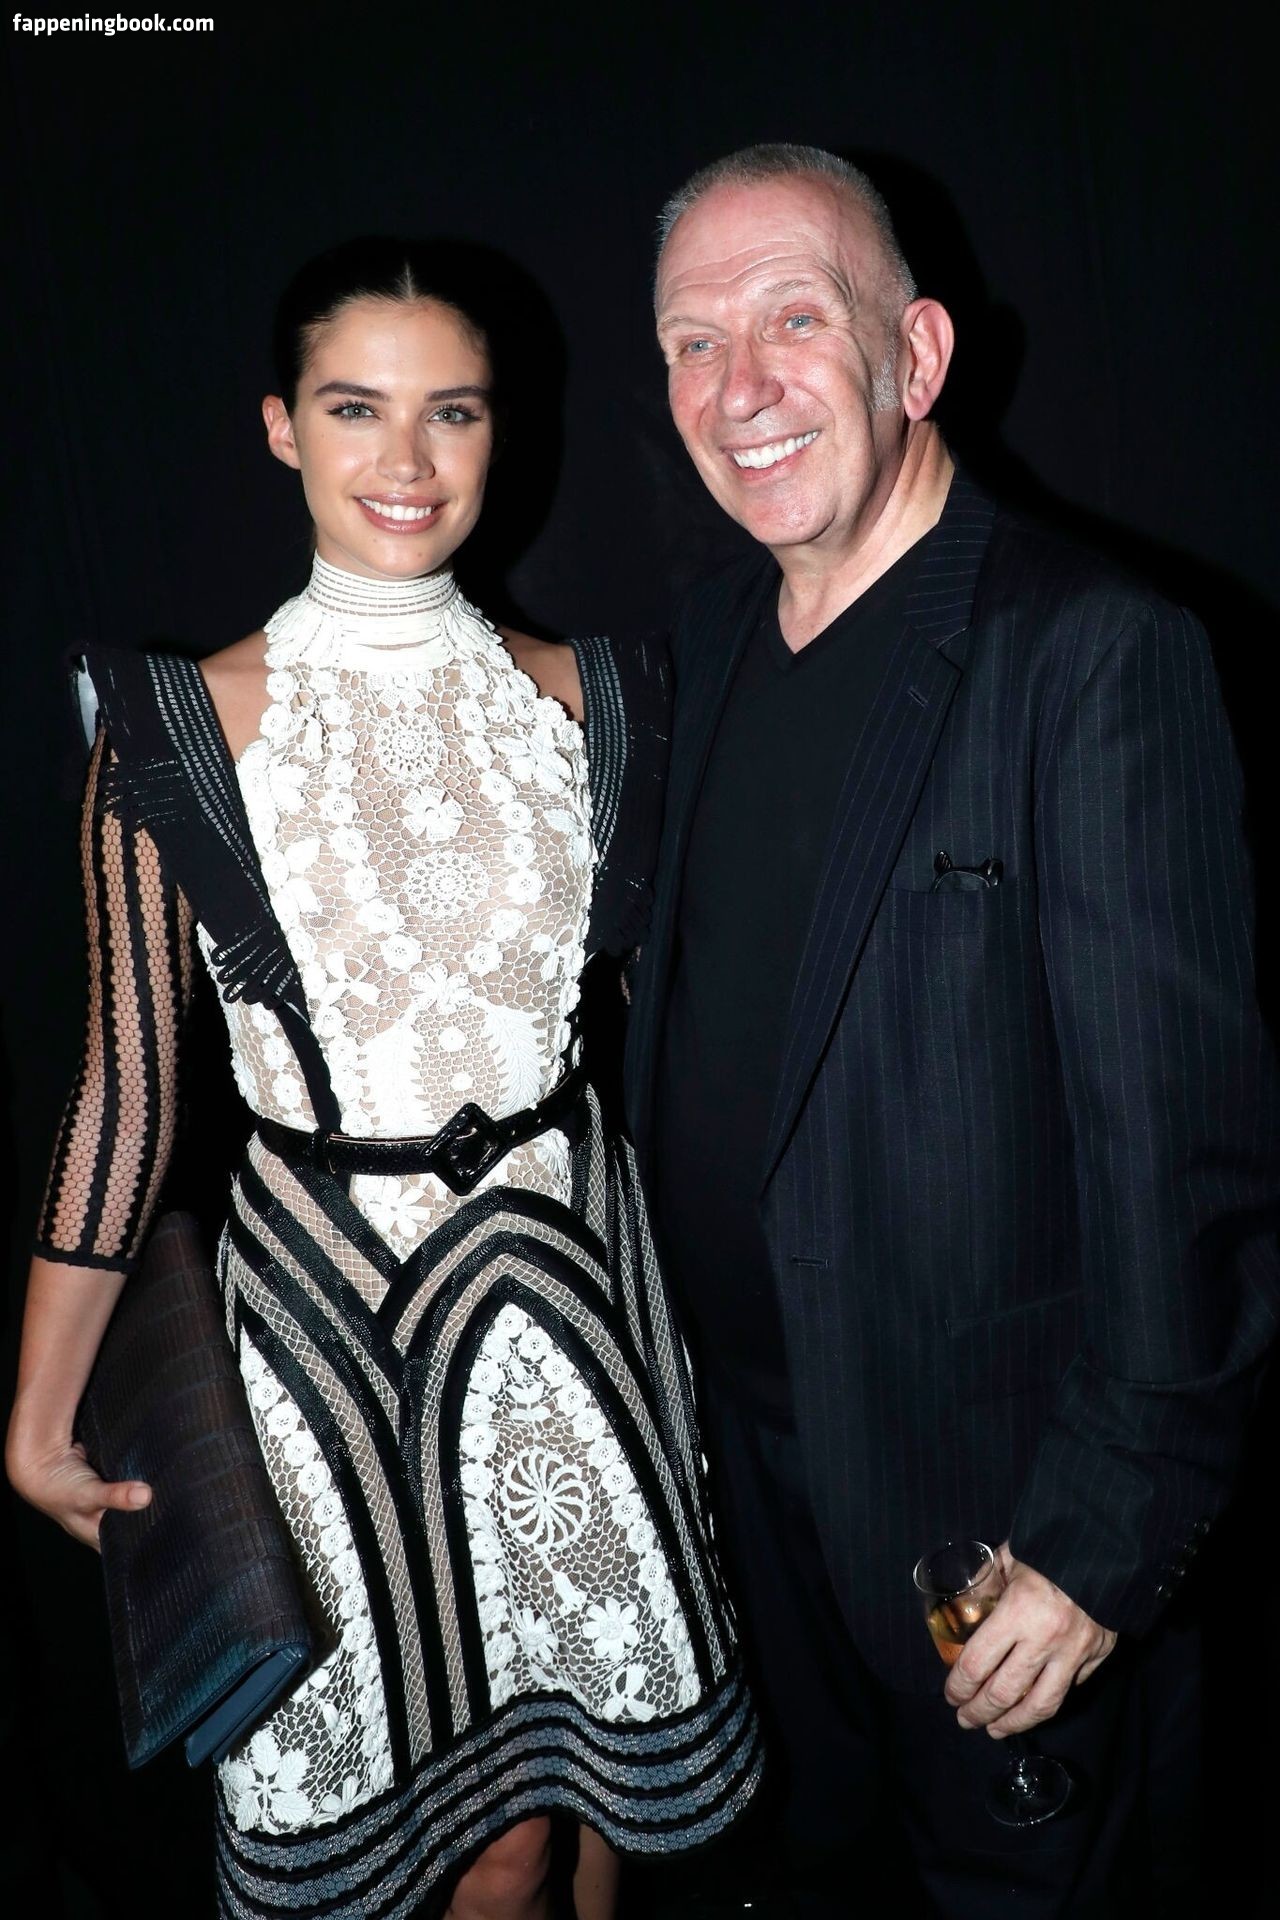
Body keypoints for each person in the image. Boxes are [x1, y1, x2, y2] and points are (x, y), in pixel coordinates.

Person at [5, 236, 761, 1920]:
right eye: (357, 409)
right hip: (329, 1327)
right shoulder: (174, 729)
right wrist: (38, 1417)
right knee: (481, 1847)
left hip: (580, 1308)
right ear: (282, 425)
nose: (407, 460)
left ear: (502, 432)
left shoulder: (604, 698)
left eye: (453, 413)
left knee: (593, 1807)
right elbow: (127, 1093)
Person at [626, 142, 1280, 1915]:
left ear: (915, 355)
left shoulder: (1094, 653)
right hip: (747, 1499)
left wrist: (1105, 1541)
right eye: (691, 343)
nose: (739, 388)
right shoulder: (700, 644)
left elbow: (1189, 1161)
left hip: (987, 1533)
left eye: (792, 321)